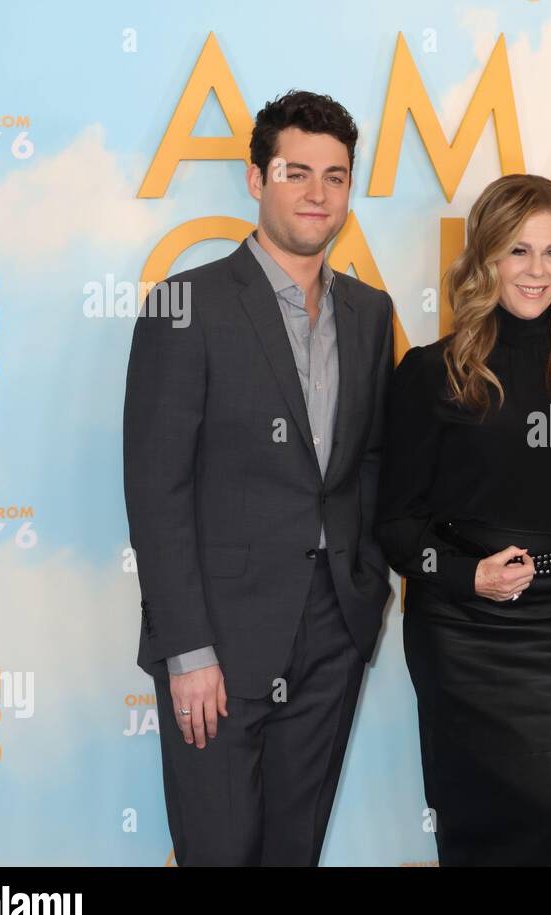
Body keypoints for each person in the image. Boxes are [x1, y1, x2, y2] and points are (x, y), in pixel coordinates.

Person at [123, 90, 395, 865]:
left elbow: (367, 463)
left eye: (336, 176)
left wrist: (363, 593)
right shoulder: (188, 305)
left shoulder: (370, 315)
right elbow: (157, 491)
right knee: (218, 852)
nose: (317, 194)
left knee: (293, 854)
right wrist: (187, 650)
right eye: (296, 172)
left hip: (332, 632)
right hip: (219, 643)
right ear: (255, 178)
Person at [375, 173, 551, 866]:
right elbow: (395, 521)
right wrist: (464, 575)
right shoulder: (433, 372)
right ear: (485, 258)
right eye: (518, 251)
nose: (536, 271)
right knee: (474, 832)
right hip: (459, 632)